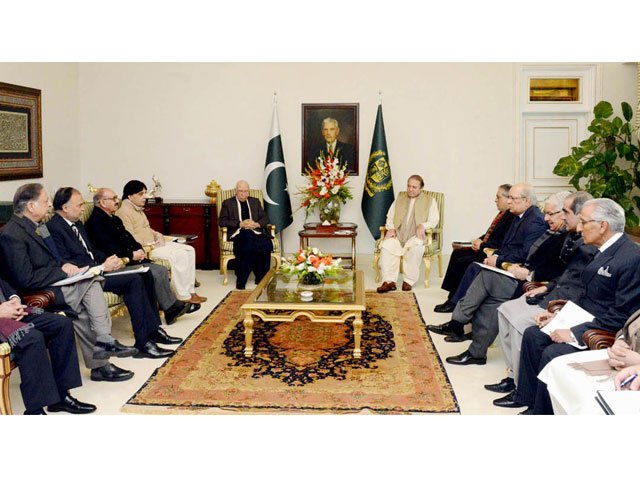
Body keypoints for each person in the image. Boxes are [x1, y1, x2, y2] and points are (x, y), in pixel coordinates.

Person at [514, 198, 640, 414]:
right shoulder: (601, 250)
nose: (578, 228)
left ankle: (543, 413)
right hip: (584, 319)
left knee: (553, 352)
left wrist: (573, 332)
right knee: (533, 335)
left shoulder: (631, 258)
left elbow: (622, 314)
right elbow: (585, 296)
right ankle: (528, 399)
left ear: (602, 226)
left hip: (602, 329)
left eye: (583, 222)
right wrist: (560, 316)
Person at [0, 183, 136, 382]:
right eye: (45, 201)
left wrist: (67, 266)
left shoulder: (38, 226)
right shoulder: (12, 234)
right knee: (92, 280)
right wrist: (62, 273)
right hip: (36, 291)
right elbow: (24, 278)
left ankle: (101, 363)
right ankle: (104, 344)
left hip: (52, 281)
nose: (49, 205)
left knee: (81, 308)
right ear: (31, 206)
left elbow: (55, 258)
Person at [47, 187, 181, 359]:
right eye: (80, 205)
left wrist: (110, 259)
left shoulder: (77, 224)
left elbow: (92, 250)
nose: (83, 208)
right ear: (65, 208)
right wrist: (102, 266)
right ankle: (143, 343)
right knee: (134, 280)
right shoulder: (54, 228)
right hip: (87, 277)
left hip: (98, 268)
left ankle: (153, 331)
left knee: (145, 274)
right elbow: (66, 261)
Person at [489, 192, 595, 407]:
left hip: (562, 305)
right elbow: (564, 276)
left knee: (521, 324)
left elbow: (581, 288)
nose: (561, 218)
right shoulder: (570, 236)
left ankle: (521, 385)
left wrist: (553, 303)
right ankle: (512, 376)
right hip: (550, 293)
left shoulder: (590, 244)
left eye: (563, 212)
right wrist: (545, 287)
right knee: (505, 310)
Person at [442, 191, 571, 365]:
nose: (545, 218)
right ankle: (473, 348)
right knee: (489, 294)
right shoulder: (553, 231)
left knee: (486, 278)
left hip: (530, 284)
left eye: (550, 214)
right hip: (521, 274)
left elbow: (556, 271)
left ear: (564, 213)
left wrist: (520, 269)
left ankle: (459, 324)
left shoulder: (565, 237)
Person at [428, 182, 547, 339]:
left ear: (527, 201)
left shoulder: (535, 220)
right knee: (474, 267)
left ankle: (459, 324)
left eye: (513, 198)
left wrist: (497, 260)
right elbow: (508, 245)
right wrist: (495, 256)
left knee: (476, 269)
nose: (509, 201)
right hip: (506, 261)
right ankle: (459, 323)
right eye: (508, 197)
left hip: (516, 270)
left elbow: (524, 254)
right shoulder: (520, 216)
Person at [85, 188, 199, 324]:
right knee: (153, 271)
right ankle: (171, 308)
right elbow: (108, 248)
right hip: (118, 262)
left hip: (130, 257)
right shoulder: (95, 223)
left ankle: (171, 308)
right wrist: (131, 255)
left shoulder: (113, 219)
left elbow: (128, 238)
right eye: (114, 198)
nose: (117, 201)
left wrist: (138, 250)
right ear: (103, 202)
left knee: (160, 269)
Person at [0, 277, 96, 414]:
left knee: (62, 324)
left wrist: (14, 299)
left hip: (8, 310)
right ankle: (34, 411)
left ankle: (61, 397)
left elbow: (3, 282)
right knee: (32, 338)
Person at [116, 180, 207, 305]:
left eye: (145, 193)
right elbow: (129, 237)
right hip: (147, 248)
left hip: (155, 243)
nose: (145, 197)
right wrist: (151, 244)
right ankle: (182, 295)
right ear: (130, 196)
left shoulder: (137, 208)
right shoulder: (123, 212)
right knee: (180, 255)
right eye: (140, 194)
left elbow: (147, 228)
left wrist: (158, 235)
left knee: (189, 250)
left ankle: (190, 290)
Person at [434, 184, 515, 313]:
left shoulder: (511, 217)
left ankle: (455, 301)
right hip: (485, 247)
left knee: (463, 262)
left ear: (507, 199)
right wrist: (479, 240)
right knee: (457, 253)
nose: (495, 200)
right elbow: (490, 233)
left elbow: (501, 242)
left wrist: (482, 245)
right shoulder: (502, 214)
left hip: (491, 253)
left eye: (498, 197)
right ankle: (451, 295)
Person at [376, 175, 440, 293]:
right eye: (409, 186)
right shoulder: (400, 198)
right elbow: (390, 216)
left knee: (416, 248)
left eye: (414, 187)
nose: (410, 189)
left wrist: (423, 226)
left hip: (414, 236)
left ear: (421, 188)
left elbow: (434, 220)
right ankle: (389, 281)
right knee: (387, 246)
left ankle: (408, 281)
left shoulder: (430, 201)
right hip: (398, 234)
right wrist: (390, 228)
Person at [218, 180, 273, 290]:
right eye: (241, 191)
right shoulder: (228, 203)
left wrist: (256, 224)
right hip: (238, 232)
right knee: (247, 243)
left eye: (246, 191)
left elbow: (265, 218)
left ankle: (261, 278)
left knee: (266, 243)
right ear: (236, 191)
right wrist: (240, 224)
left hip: (255, 230)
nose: (244, 194)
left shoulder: (255, 201)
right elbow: (222, 221)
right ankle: (241, 280)